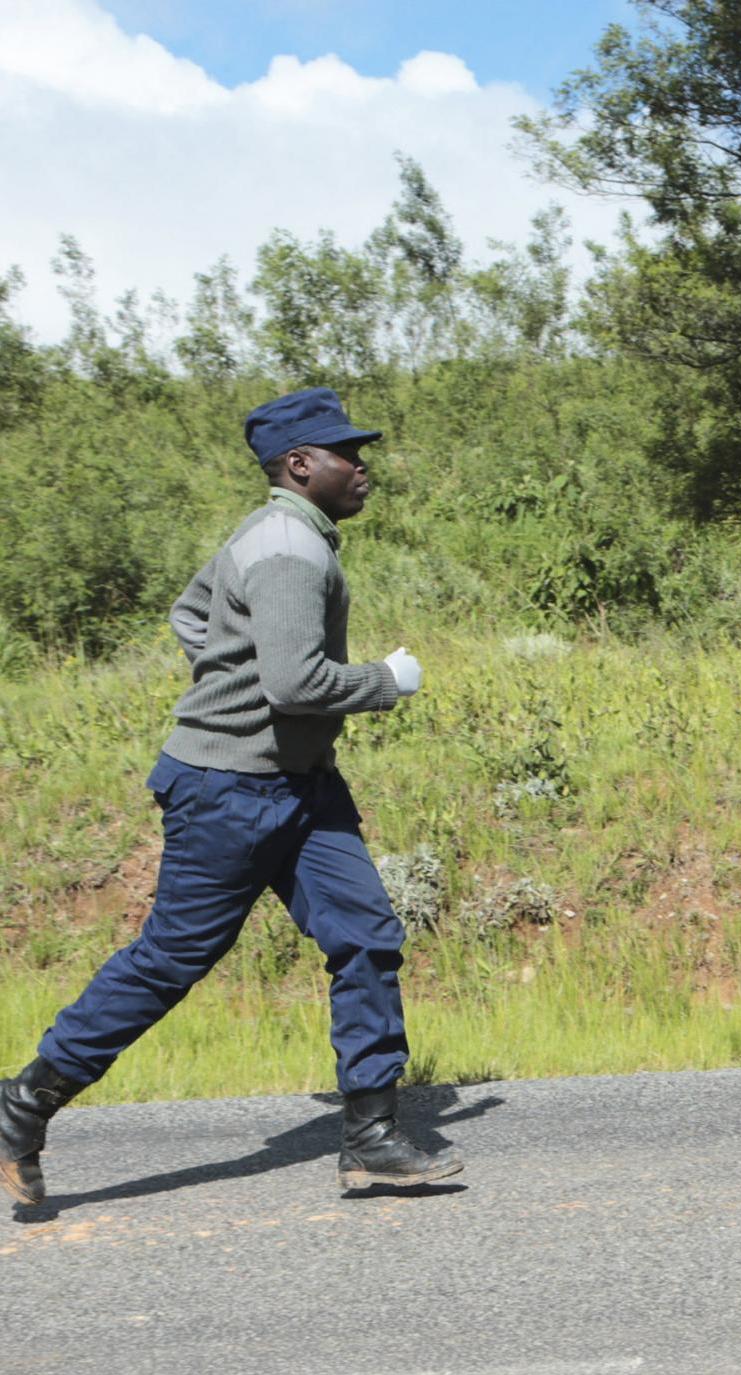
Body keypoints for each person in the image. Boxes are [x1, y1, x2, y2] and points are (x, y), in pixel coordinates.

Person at [0, 389, 458, 1208]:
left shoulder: (272, 535)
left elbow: (190, 614)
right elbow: (294, 682)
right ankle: (25, 1098)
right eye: (347, 453)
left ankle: (371, 1137)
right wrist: (386, 682)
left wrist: (228, 675)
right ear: (300, 465)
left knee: (364, 935)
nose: (364, 466)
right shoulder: (287, 547)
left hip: (302, 788)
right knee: (171, 961)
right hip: (229, 790)